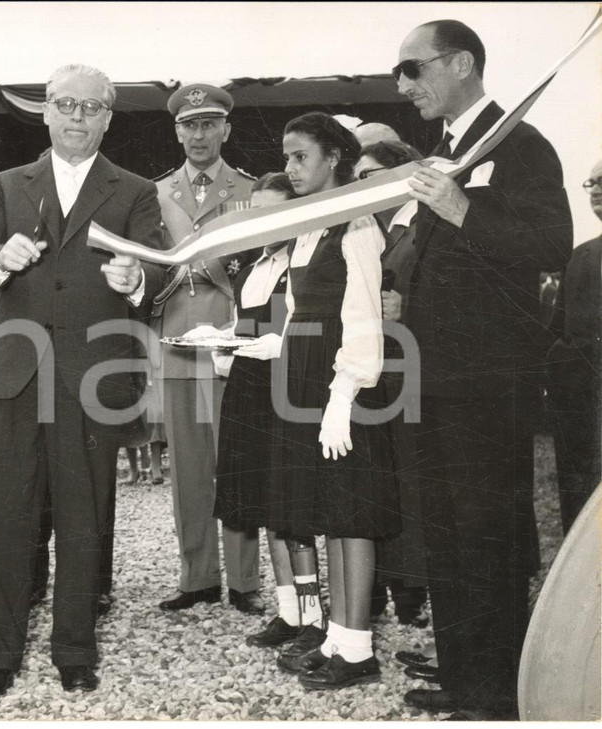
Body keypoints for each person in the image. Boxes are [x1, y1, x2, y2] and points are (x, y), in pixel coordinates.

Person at [0, 63, 162, 696]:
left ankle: (74, 649)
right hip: (16, 376)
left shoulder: (134, 190)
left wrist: (137, 282)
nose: (77, 117)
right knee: (3, 518)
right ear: (45, 111)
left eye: (92, 107)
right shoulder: (5, 184)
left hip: (90, 378)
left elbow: (156, 266)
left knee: (83, 517)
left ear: (108, 117)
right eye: (65, 105)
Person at [394, 20, 572, 719]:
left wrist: (463, 209)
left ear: (462, 62)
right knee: (446, 533)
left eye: (415, 68)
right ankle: (465, 677)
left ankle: (497, 694)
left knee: (488, 533)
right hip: (436, 379)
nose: (405, 85)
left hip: (488, 385)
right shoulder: (444, 151)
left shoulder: (520, 144)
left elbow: (551, 243)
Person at [261, 112, 399, 690]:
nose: (290, 168)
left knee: (353, 511)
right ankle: (340, 636)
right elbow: (300, 309)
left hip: (343, 379)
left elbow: (364, 313)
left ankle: (358, 648)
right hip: (307, 373)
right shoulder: (312, 222)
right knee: (333, 513)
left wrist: (345, 391)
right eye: (287, 157)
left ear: (334, 158)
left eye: (301, 157)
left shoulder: (357, 223)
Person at [201, 173, 328, 649]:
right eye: (256, 211)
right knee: (267, 503)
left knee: (293, 509)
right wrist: (221, 346)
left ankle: (314, 618)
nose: (262, 222)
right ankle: (289, 612)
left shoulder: (305, 263)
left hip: (290, 392)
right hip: (250, 391)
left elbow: (307, 333)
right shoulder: (253, 265)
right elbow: (243, 326)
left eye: (273, 211)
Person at [153, 83, 262, 616]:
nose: (198, 134)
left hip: (228, 342)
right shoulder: (156, 194)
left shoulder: (249, 191)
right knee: (188, 469)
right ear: (176, 132)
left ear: (225, 130)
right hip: (176, 342)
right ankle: (196, 577)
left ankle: (243, 581)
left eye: (208, 124)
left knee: (235, 463)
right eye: (188, 125)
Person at [351, 142, 431, 632]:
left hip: (410, 369)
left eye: (371, 174)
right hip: (376, 370)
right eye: (356, 177)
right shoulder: (374, 229)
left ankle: (410, 587)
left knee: (409, 481)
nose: (362, 185)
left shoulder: (423, 226)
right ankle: (382, 581)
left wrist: (409, 307)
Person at [545, 160, 602, 534]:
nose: (595, 188)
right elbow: (557, 332)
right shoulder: (579, 257)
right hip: (580, 408)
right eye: (592, 181)